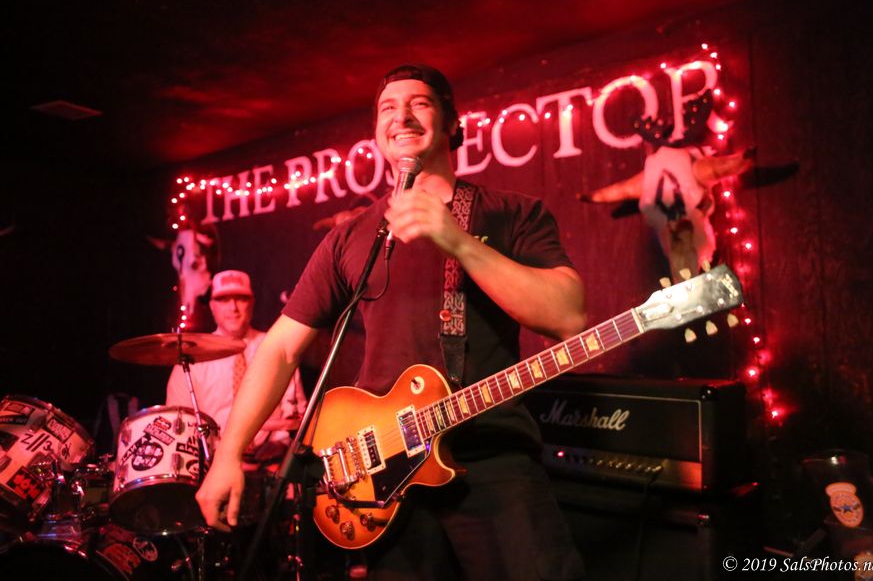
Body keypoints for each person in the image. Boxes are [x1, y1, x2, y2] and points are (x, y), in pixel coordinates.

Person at [196, 65, 587, 580]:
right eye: (387, 108)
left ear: (452, 123)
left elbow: (568, 317)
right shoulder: (350, 236)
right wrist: (228, 455)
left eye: (420, 103)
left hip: (492, 459)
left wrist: (457, 242)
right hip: (387, 473)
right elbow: (281, 348)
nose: (401, 116)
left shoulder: (512, 213)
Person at [166, 269, 305, 467]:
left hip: (270, 465)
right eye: (223, 300)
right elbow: (177, 425)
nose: (233, 307)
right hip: (212, 465)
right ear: (212, 306)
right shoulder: (191, 359)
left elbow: (297, 413)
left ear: (252, 302)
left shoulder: (275, 347)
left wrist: (280, 443)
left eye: (241, 299)